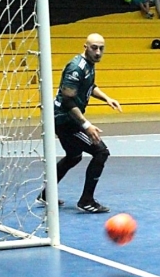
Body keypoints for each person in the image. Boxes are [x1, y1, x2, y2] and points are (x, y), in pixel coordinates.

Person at [38, 33, 122, 213]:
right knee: (101, 152)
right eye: (94, 48)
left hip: (68, 119)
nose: (98, 52)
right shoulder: (76, 68)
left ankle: (46, 195)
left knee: (74, 156)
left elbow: (90, 86)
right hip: (65, 120)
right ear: (85, 47)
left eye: (101, 48)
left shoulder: (89, 66)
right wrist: (86, 125)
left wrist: (107, 98)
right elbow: (68, 101)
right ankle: (86, 200)